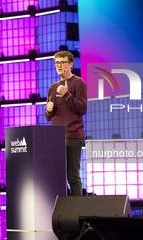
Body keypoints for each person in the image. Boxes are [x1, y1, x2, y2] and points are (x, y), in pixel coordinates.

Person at [44, 51, 87, 196]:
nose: (59, 65)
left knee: (73, 176)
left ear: (71, 64)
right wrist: (48, 111)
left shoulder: (79, 83)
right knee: (56, 177)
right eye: (57, 62)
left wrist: (67, 94)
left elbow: (82, 108)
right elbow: (48, 117)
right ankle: (60, 210)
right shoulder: (52, 87)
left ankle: (76, 211)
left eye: (62, 62)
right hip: (56, 138)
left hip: (73, 136)